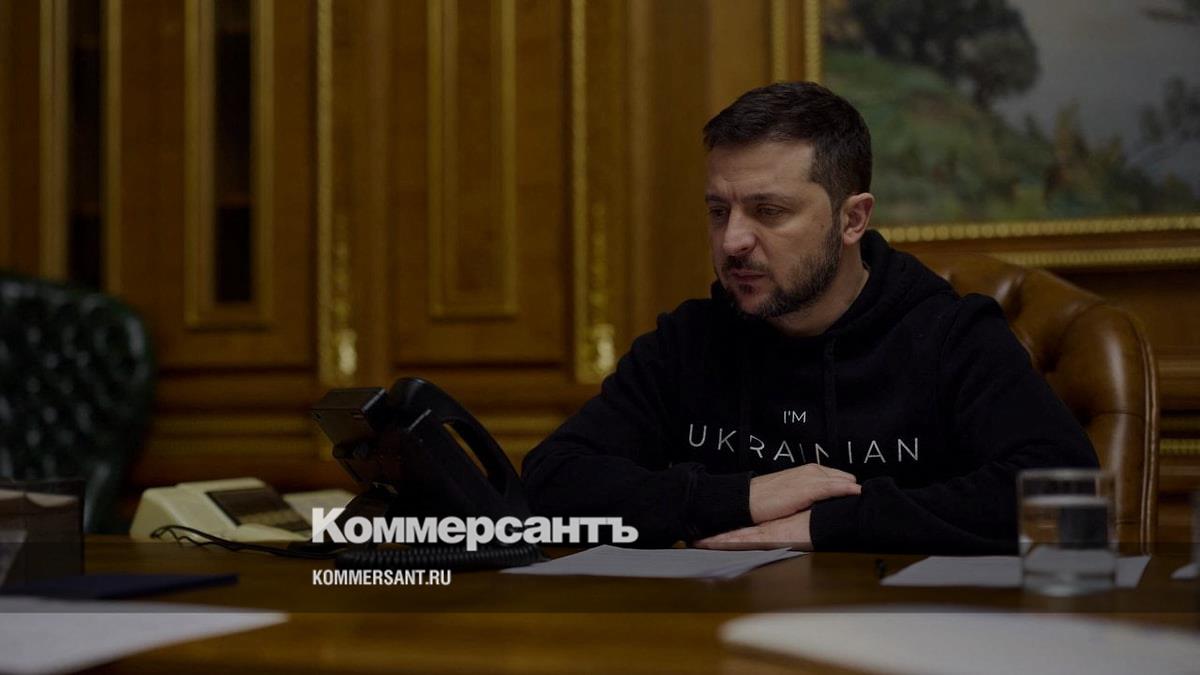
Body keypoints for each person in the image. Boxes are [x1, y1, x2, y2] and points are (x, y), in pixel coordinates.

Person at [521, 82, 1097, 553]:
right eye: (719, 211)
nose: (733, 240)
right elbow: (552, 481)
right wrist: (742, 497)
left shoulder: (949, 335)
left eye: (769, 211)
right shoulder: (690, 340)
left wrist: (832, 524)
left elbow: (1061, 487)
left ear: (853, 220)